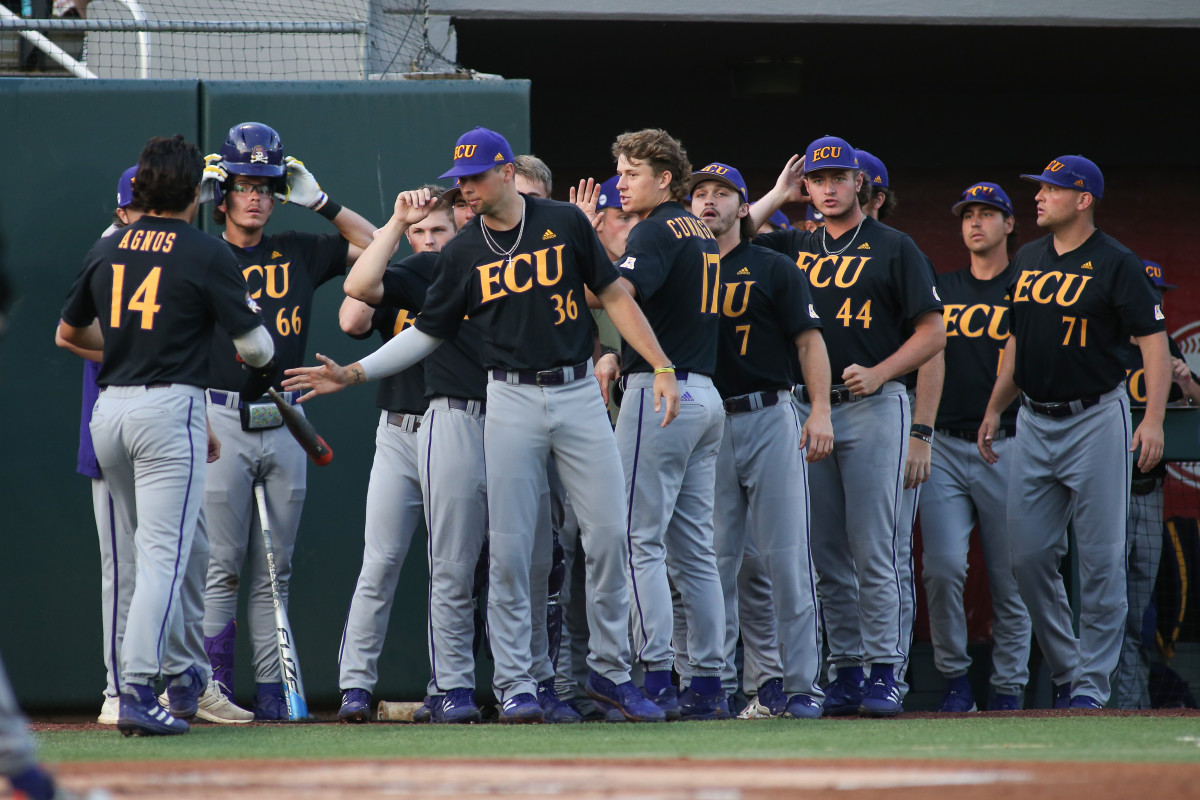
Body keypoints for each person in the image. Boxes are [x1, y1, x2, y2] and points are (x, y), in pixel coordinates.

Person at [283, 126, 680, 723]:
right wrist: (356, 374)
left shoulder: (562, 222)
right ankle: (518, 682)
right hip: (508, 400)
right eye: (459, 180)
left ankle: (610, 674)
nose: (463, 188)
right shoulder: (464, 251)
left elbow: (615, 295)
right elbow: (425, 331)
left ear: (502, 173)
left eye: (473, 177)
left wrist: (660, 365)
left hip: (574, 391)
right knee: (514, 550)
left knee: (607, 537)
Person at [57, 134, 273, 735]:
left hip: (111, 413)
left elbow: (67, 332)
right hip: (165, 410)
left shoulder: (109, 247)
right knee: (163, 559)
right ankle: (134, 689)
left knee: (171, 552)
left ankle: (182, 679)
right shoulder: (203, 250)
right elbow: (257, 349)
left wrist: (132, 343)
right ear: (195, 193)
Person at [751, 136, 945, 717]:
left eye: (839, 176)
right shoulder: (793, 242)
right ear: (806, 187)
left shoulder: (895, 245)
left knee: (875, 548)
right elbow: (722, 236)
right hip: (812, 410)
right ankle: (847, 670)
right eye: (818, 179)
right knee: (825, 552)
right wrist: (777, 194)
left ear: (860, 182)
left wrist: (884, 371)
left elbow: (934, 334)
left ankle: (886, 672)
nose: (829, 187)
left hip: (873, 406)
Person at [978, 155, 1169, 709]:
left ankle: (1090, 687)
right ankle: (1068, 668)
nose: (1039, 196)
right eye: (1039, 188)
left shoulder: (1116, 262)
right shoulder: (1029, 256)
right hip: (1034, 419)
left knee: (1102, 559)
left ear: (1083, 199)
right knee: (1027, 557)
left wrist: (1152, 419)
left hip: (1094, 418)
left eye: (1052, 189)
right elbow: (1017, 341)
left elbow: (1153, 345)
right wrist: (995, 407)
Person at [200, 121, 377, 720]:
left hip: (287, 419)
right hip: (218, 418)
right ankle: (214, 689)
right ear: (223, 192)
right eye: (244, 185)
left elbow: (378, 244)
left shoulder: (299, 247)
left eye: (267, 186)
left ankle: (273, 693)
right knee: (222, 564)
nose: (256, 197)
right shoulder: (202, 252)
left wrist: (321, 201)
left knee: (276, 569)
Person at [689, 162, 833, 719]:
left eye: (721, 192)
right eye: (699, 192)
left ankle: (799, 685)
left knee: (787, 559)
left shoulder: (774, 266)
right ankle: (715, 684)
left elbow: (809, 342)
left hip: (770, 412)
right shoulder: (682, 270)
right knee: (714, 562)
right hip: (709, 422)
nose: (708, 200)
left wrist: (818, 409)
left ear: (743, 207)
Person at [595, 128, 728, 721]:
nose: (621, 182)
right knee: (695, 549)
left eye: (632, 172)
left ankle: (655, 675)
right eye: (620, 172)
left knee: (636, 538)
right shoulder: (701, 229)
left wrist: (581, 254)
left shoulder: (653, 227)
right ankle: (708, 683)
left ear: (666, 178)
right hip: (706, 399)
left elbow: (617, 293)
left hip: (662, 393)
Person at [333, 184, 453, 722]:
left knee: (449, 566)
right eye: (422, 233)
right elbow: (351, 321)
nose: (429, 241)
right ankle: (354, 687)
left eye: (439, 231)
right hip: (399, 429)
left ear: (460, 232)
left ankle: (445, 684)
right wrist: (395, 228)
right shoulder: (402, 274)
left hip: (456, 430)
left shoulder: (472, 275)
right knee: (379, 562)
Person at [918, 182, 1031, 712]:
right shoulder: (942, 288)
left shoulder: (1029, 286)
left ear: (1011, 224)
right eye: (968, 215)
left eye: (989, 214)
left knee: (1014, 576)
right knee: (941, 568)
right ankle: (955, 679)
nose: (976, 223)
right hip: (943, 445)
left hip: (1009, 444)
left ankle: (1008, 687)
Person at [1113, 260, 1200, 709]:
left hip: (1148, 493)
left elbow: (1196, 401)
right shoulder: (1108, 341)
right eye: (1149, 291)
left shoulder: (1164, 345)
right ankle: (1095, 700)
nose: (1155, 300)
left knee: (1136, 610)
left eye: (1160, 293)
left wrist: (1186, 383)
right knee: (1103, 610)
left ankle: (1131, 706)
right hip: (1102, 498)